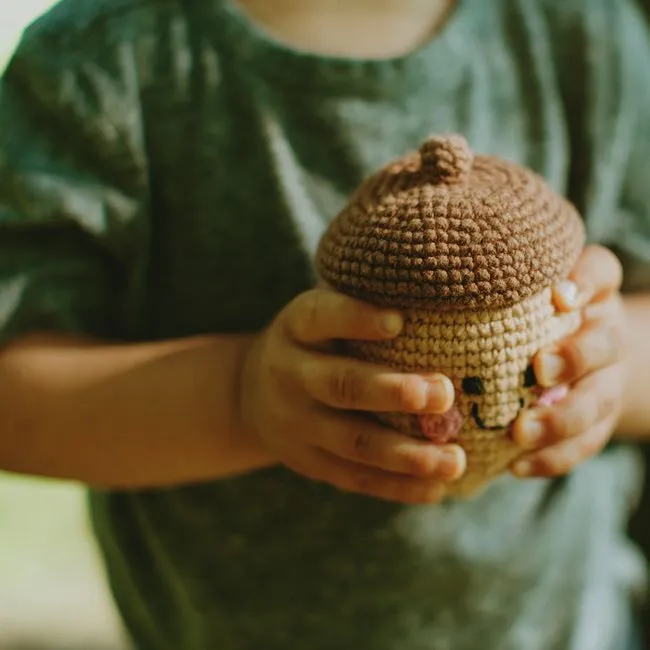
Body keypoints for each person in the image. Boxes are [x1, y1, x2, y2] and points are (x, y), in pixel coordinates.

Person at [0, 0, 648, 648]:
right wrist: (239, 400)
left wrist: (608, 366)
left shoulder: (580, 29)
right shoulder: (100, 59)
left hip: (568, 627)